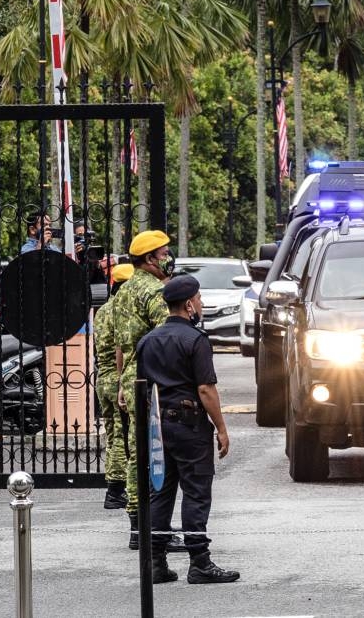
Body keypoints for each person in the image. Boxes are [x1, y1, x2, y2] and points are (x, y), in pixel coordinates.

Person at [137, 275, 238, 584]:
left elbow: (141, 388)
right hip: (189, 425)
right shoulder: (195, 340)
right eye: (199, 299)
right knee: (195, 491)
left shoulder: (148, 340)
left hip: (157, 426)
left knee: (161, 491)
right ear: (189, 304)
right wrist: (221, 427)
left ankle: (155, 562)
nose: (202, 304)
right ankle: (200, 562)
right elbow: (206, 389)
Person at [113, 229, 181, 550]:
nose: (168, 259)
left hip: (130, 374)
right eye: (164, 254)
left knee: (136, 451)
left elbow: (118, 344)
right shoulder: (154, 292)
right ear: (150, 260)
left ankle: (137, 524)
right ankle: (149, 526)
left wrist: (121, 383)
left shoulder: (124, 291)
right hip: (151, 378)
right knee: (152, 453)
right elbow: (166, 336)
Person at [93, 263, 135, 509]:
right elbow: (122, 347)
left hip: (103, 379)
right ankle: (117, 490)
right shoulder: (123, 310)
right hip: (118, 380)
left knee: (112, 435)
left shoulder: (103, 310)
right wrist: (122, 381)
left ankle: (114, 485)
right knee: (122, 437)